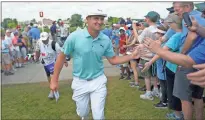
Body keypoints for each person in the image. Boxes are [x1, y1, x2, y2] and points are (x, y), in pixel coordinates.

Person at [50, 9, 140, 120]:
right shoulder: (75, 37)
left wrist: (131, 56)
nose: (100, 21)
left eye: (101, 18)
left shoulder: (105, 39)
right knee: (83, 113)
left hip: (98, 80)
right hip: (80, 81)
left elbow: (113, 59)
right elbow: (61, 57)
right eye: (96, 18)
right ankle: (84, 116)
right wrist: (54, 81)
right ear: (87, 20)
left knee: (99, 116)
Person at [132, 11, 160, 100]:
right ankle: (156, 90)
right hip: (155, 55)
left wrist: (134, 29)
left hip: (146, 55)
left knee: (146, 76)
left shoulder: (147, 29)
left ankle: (148, 93)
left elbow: (139, 40)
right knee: (155, 75)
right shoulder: (158, 28)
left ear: (148, 18)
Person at [35, 32, 68, 99]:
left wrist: (64, 61)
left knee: (53, 75)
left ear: (48, 38)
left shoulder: (54, 44)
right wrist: (37, 57)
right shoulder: (39, 42)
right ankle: (52, 86)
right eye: (43, 40)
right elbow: (37, 50)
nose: (44, 41)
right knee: (48, 75)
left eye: (45, 40)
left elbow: (61, 53)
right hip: (45, 61)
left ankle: (52, 91)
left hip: (53, 62)